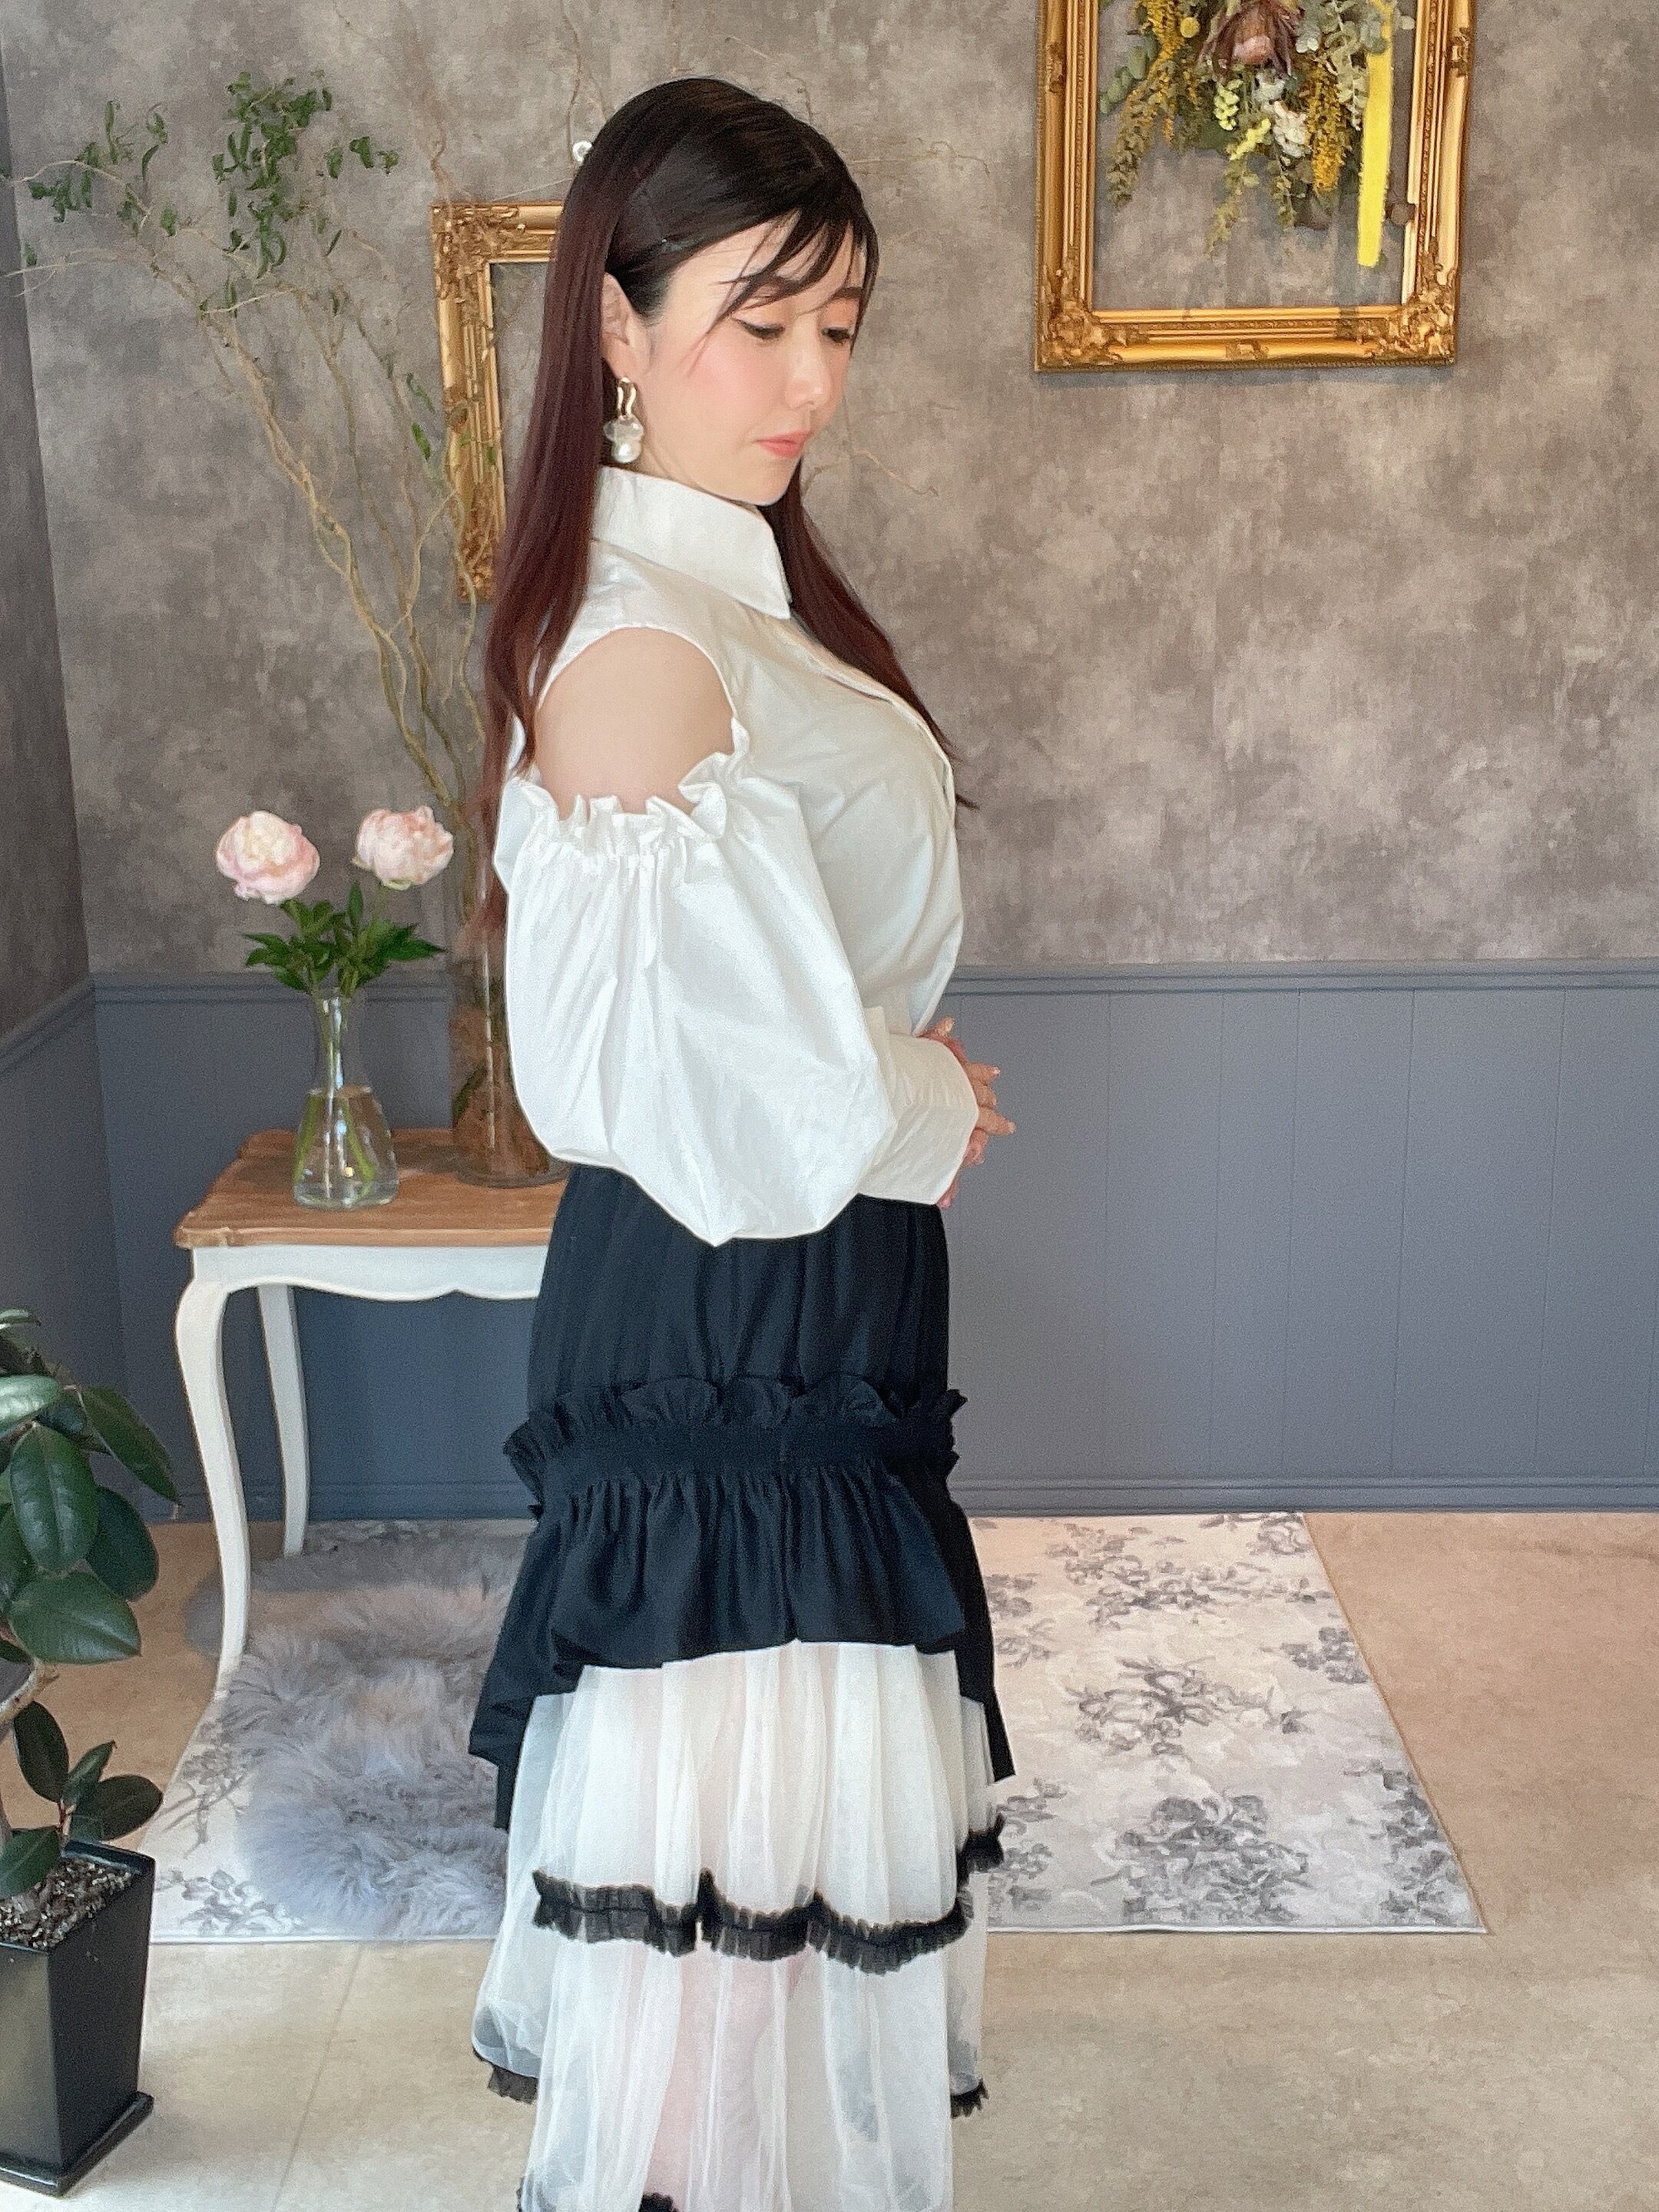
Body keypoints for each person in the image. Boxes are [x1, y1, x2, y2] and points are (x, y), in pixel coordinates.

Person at [462, 74, 1018, 2212]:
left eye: (840, 325)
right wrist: (922, 1096)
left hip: (799, 1309)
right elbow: (683, 1094)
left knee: (772, 1892)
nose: (808, 382)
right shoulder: (640, 641)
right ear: (617, 325)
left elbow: (773, 1015)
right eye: (758, 322)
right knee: (729, 1895)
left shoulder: (734, 602)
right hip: (737, 1313)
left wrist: (889, 1075)